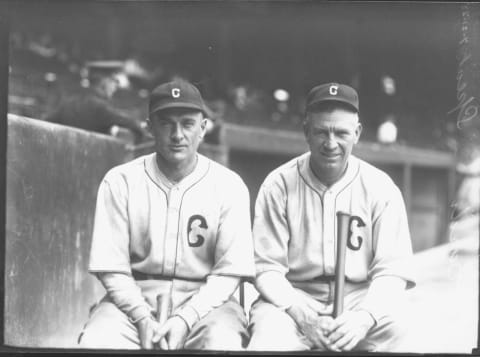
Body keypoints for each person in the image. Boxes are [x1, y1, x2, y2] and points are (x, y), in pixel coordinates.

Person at [78, 80, 255, 350]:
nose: (177, 134)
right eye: (166, 123)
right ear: (149, 128)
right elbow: (111, 268)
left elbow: (229, 274)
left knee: (222, 341)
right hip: (132, 299)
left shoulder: (229, 186)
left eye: (187, 123)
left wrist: (186, 318)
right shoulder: (120, 181)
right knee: (97, 341)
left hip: (207, 303)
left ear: (203, 129)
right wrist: (140, 317)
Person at [247, 83, 415, 352]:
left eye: (341, 133)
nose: (331, 143)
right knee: (267, 340)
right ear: (306, 132)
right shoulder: (278, 184)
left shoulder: (380, 187)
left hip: (359, 297)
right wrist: (302, 315)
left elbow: (393, 271)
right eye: (321, 132)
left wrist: (364, 318)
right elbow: (265, 268)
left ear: (357, 133)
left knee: (402, 328)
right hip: (294, 297)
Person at [43, 60, 150, 142]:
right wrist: (140, 135)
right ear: (104, 81)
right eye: (115, 81)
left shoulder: (69, 103)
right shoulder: (100, 107)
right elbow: (131, 123)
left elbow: (44, 123)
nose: (116, 86)